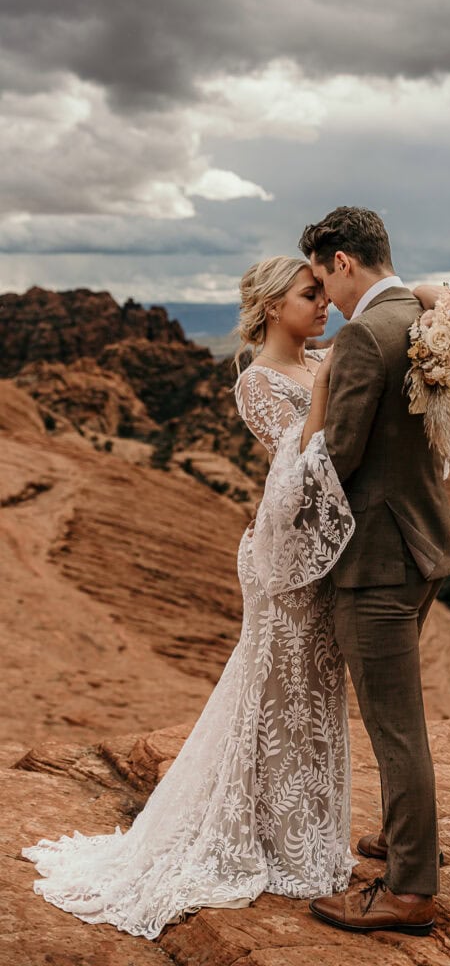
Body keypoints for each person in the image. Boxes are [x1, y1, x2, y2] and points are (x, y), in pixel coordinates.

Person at [22, 255, 357, 940]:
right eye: (309, 295)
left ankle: (310, 837)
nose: (324, 305)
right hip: (282, 556)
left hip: (321, 552)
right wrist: (334, 377)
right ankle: (263, 839)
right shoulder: (257, 381)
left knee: (316, 691)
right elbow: (301, 458)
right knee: (276, 690)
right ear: (271, 306)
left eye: (325, 294)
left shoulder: (318, 361)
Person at [299, 207, 450, 937]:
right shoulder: (421, 312)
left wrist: (285, 503)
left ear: (341, 261)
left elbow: (341, 453)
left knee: (396, 728)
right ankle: (404, 844)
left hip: (377, 561)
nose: (323, 299)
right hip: (422, 541)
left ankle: (407, 889)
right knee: (401, 719)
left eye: (323, 280)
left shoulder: (367, 332)